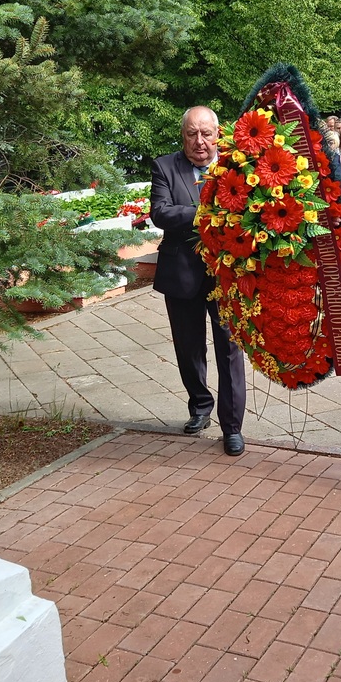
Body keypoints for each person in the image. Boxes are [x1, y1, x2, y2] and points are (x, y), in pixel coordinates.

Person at [150, 106, 247, 455]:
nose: (199, 141)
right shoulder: (165, 166)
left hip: (227, 276)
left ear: (218, 134)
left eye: (206, 133)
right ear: (183, 136)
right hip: (182, 276)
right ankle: (200, 407)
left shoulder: (239, 166)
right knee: (189, 348)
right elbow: (161, 213)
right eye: (192, 134)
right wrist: (212, 211)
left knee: (230, 350)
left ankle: (232, 426)